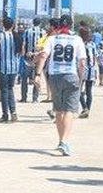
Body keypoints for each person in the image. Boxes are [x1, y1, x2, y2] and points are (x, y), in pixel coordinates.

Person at [36, 14, 87, 156]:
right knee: (69, 110)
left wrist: (38, 74)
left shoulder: (52, 39)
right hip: (71, 76)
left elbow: (43, 56)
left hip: (55, 76)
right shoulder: (77, 40)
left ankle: (61, 140)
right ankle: (64, 141)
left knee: (58, 110)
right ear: (71, 25)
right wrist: (81, 78)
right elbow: (82, 62)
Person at [0, 17, 21, 123]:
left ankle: (5, 114)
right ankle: (13, 111)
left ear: (3, 25)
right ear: (12, 25)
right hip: (13, 67)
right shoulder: (16, 36)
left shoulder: (0, 36)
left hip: (2, 67)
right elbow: (21, 51)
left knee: (4, 90)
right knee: (10, 89)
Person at [21, 17, 45, 103]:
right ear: (40, 23)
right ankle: (35, 98)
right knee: (37, 77)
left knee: (24, 78)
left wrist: (23, 55)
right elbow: (44, 46)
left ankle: (24, 97)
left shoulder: (27, 31)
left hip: (28, 58)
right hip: (38, 59)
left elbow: (23, 44)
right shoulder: (43, 32)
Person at [78, 26, 98, 118]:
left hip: (83, 69)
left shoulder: (80, 44)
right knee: (89, 91)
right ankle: (88, 110)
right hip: (92, 69)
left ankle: (84, 108)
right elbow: (95, 57)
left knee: (78, 90)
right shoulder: (93, 44)